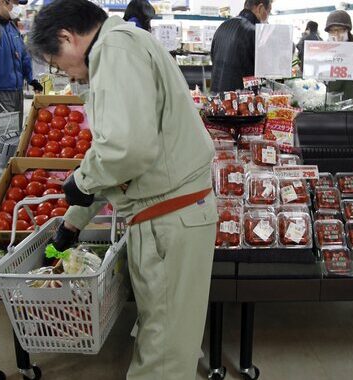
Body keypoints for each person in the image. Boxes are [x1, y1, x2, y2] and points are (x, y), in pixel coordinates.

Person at [28, 1, 217, 379]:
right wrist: (74, 221)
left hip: (168, 221)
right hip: (174, 214)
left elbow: (126, 149)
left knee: (162, 356)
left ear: (68, 37)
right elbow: (117, 150)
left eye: (56, 60)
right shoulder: (124, 44)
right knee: (165, 336)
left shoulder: (114, 50)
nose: (63, 72)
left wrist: (79, 182)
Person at [210, 0, 271, 92]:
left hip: (217, 93)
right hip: (240, 99)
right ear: (260, 8)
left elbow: (213, 57)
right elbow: (261, 71)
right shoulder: (254, 32)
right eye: (269, 12)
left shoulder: (223, 26)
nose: (268, 17)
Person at [324, 10, 353, 101]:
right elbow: (326, 85)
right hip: (335, 106)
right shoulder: (325, 52)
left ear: (347, 30)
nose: (336, 34)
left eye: (339, 30)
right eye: (332, 31)